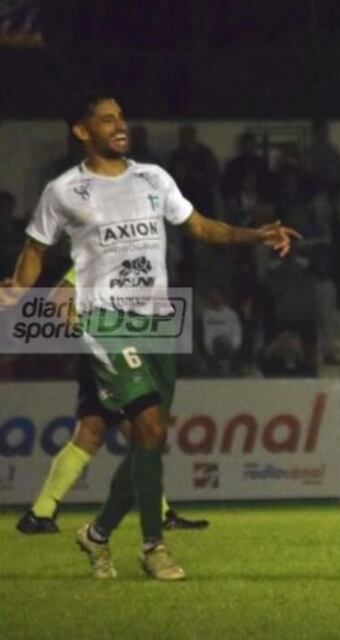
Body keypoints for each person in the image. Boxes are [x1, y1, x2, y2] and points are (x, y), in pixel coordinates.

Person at [0, 93, 298, 580]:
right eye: (107, 120)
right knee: (151, 427)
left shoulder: (153, 177)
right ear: (81, 131)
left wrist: (255, 235)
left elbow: (201, 227)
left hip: (158, 321)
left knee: (149, 440)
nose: (120, 126)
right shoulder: (64, 191)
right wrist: (18, 289)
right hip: (104, 323)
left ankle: (96, 535)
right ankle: (153, 545)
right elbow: (35, 249)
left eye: (121, 118)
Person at [14, 271, 209, 534]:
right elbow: (59, 298)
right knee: (142, 434)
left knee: (91, 435)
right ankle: (161, 515)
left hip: (114, 355)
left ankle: (40, 513)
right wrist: (85, 332)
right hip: (106, 357)